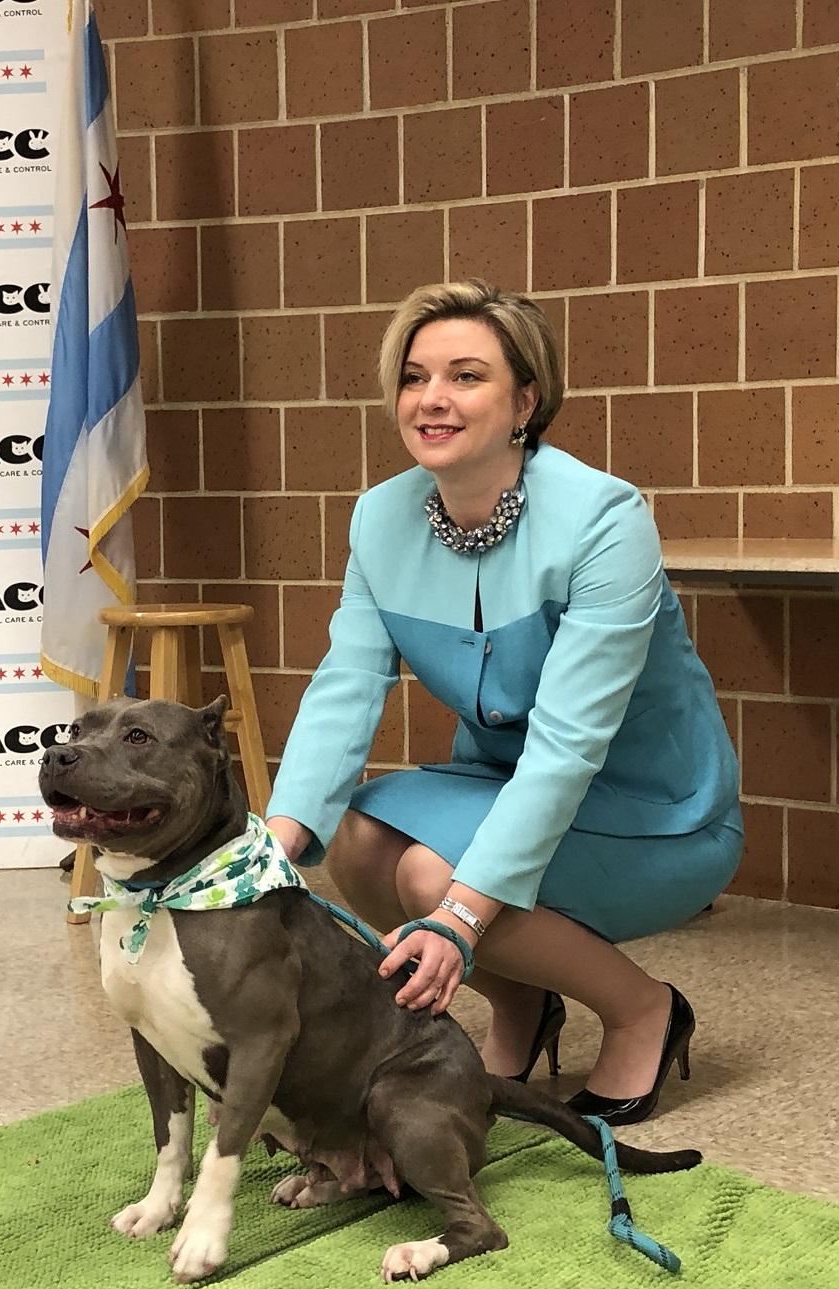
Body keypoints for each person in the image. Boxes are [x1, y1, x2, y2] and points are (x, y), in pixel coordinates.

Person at [264, 281, 743, 1125]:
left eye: (465, 376)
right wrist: (276, 843)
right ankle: (523, 1004)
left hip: (652, 812)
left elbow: (567, 745)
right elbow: (346, 687)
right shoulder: (380, 518)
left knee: (432, 874)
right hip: (495, 789)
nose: (431, 400)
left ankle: (643, 1011)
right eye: (414, 378)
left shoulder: (603, 516)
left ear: (526, 399)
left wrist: (457, 917)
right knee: (360, 838)